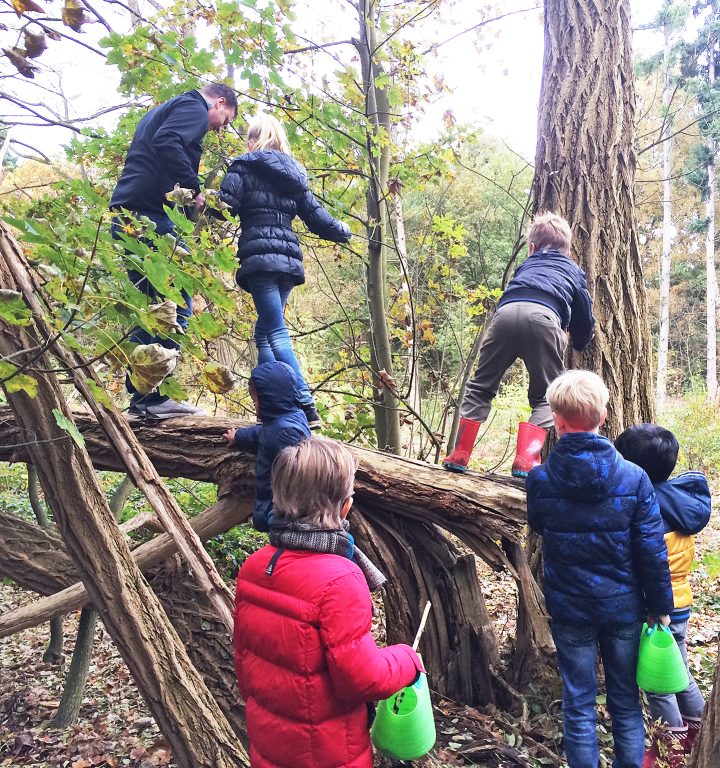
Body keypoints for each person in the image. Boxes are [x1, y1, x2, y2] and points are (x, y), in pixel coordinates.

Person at [234, 435, 423, 768]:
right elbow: (362, 679)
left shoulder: (254, 567)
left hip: (270, 743)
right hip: (329, 752)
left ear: (277, 496)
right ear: (346, 504)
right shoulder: (341, 579)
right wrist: (407, 659)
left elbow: (243, 661)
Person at [526, 370, 674, 768]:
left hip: (570, 609)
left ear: (556, 419)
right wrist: (662, 605)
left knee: (578, 701)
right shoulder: (634, 477)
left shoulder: (540, 479)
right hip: (623, 609)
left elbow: (540, 525)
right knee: (626, 701)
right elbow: (651, 550)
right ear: (604, 416)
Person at [110, 83, 238, 418]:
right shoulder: (193, 106)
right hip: (149, 219)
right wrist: (194, 189)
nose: (218, 128)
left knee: (154, 309)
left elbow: (158, 144)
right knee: (176, 306)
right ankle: (150, 400)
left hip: (130, 216)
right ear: (219, 102)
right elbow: (167, 141)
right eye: (224, 121)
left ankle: (141, 400)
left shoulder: (158, 111)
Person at [219, 114, 351, 430]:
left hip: (260, 260)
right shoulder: (294, 175)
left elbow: (223, 206)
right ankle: (271, 408)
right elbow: (317, 218)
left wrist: (192, 198)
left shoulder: (243, 167)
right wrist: (343, 230)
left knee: (275, 332)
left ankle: (304, 404)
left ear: (253, 141)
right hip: (288, 262)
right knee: (264, 332)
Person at [443, 211, 595, 476]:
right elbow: (583, 313)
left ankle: (460, 453)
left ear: (532, 248)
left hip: (505, 314)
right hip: (545, 318)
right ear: (568, 250)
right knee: (547, 395)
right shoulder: (573, 270)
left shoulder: (526, 265)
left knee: (480, 386)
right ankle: (526, 459)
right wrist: (582, 340)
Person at [614, 424, 711, 767]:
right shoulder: (680, 501)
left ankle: (671, 745)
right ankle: (700, 730)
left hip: (658, 607)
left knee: (659, 682)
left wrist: (654, 606)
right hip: (680, 600)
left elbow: (648, 564)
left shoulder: (647, 508)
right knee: (679, 670)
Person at [223, 361, 311, 531]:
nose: (254, 404)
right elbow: (263, 433)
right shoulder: (286, 420)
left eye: (256, 399)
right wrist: (239, 436)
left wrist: (279, 513)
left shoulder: (286, 433)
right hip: (275, 511)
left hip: (282, 515)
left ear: (269, 397)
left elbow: (296, 480)